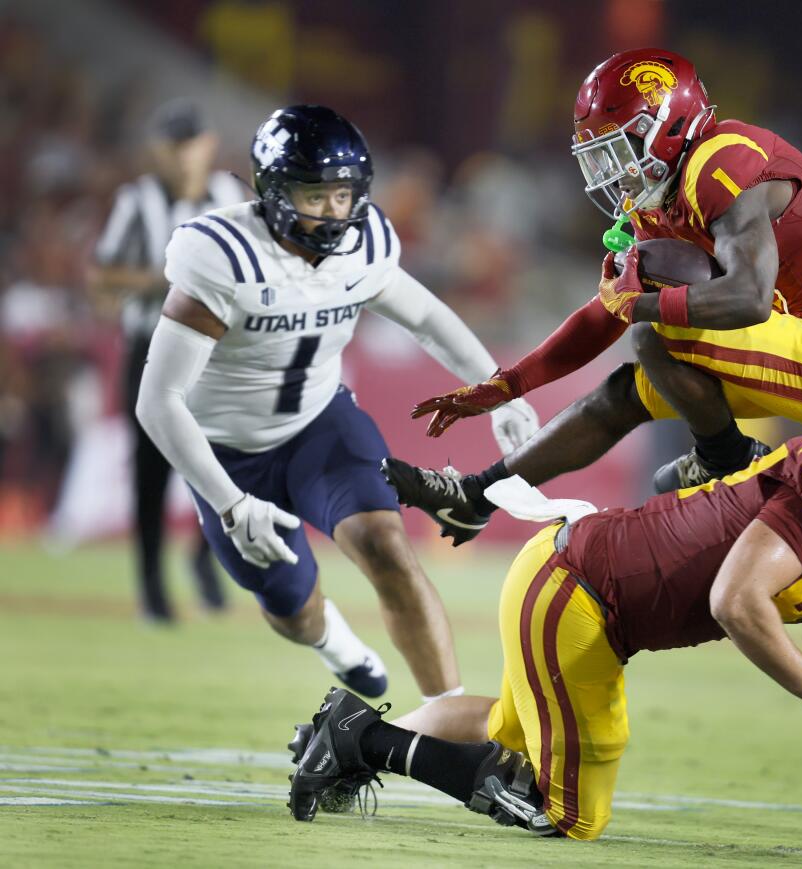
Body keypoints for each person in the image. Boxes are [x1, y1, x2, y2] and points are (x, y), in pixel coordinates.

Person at [288, 382, 802, 840]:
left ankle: (343, 735)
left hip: (586, 599)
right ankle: (362, 739)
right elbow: (736, 600)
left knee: (507, 724)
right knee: (566, 813)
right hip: (579, 592)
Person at [385, 47, 802, 545]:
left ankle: (726, 457)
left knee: (652, 324)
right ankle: (474, 499)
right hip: (797, 338)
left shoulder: (721, 163)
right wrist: (509, 384)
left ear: (663, 128)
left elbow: (749, 298)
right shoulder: (659, 194)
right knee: (624, 392)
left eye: (616, 148)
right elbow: (605, 315)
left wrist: (639, 306)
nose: (609, 170)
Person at [134, 105, 538, 698]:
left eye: (343, 195)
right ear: (273, 190)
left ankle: (449, 718)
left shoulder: (365, 244)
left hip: (320, 425)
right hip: (229, 455)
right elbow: (157, 400)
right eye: (313, 195)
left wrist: (496, 389)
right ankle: (335, 644)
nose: (332, 210)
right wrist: (228, 504)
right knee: (292, 608)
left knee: (387, 545)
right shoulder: (224, 257)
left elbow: (424, 315)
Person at [91, 99, 244, 622]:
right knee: (151, 470)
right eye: (174, 145)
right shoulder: (136, 200)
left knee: (229, 457)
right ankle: (152, 586)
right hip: (150, 345)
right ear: (160, 150)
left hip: (216, 350)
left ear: (208, 145)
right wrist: (166, 278)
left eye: (191, 144)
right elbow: (103, 274)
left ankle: (208, 558)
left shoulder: (228, 194)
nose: (184, 156)